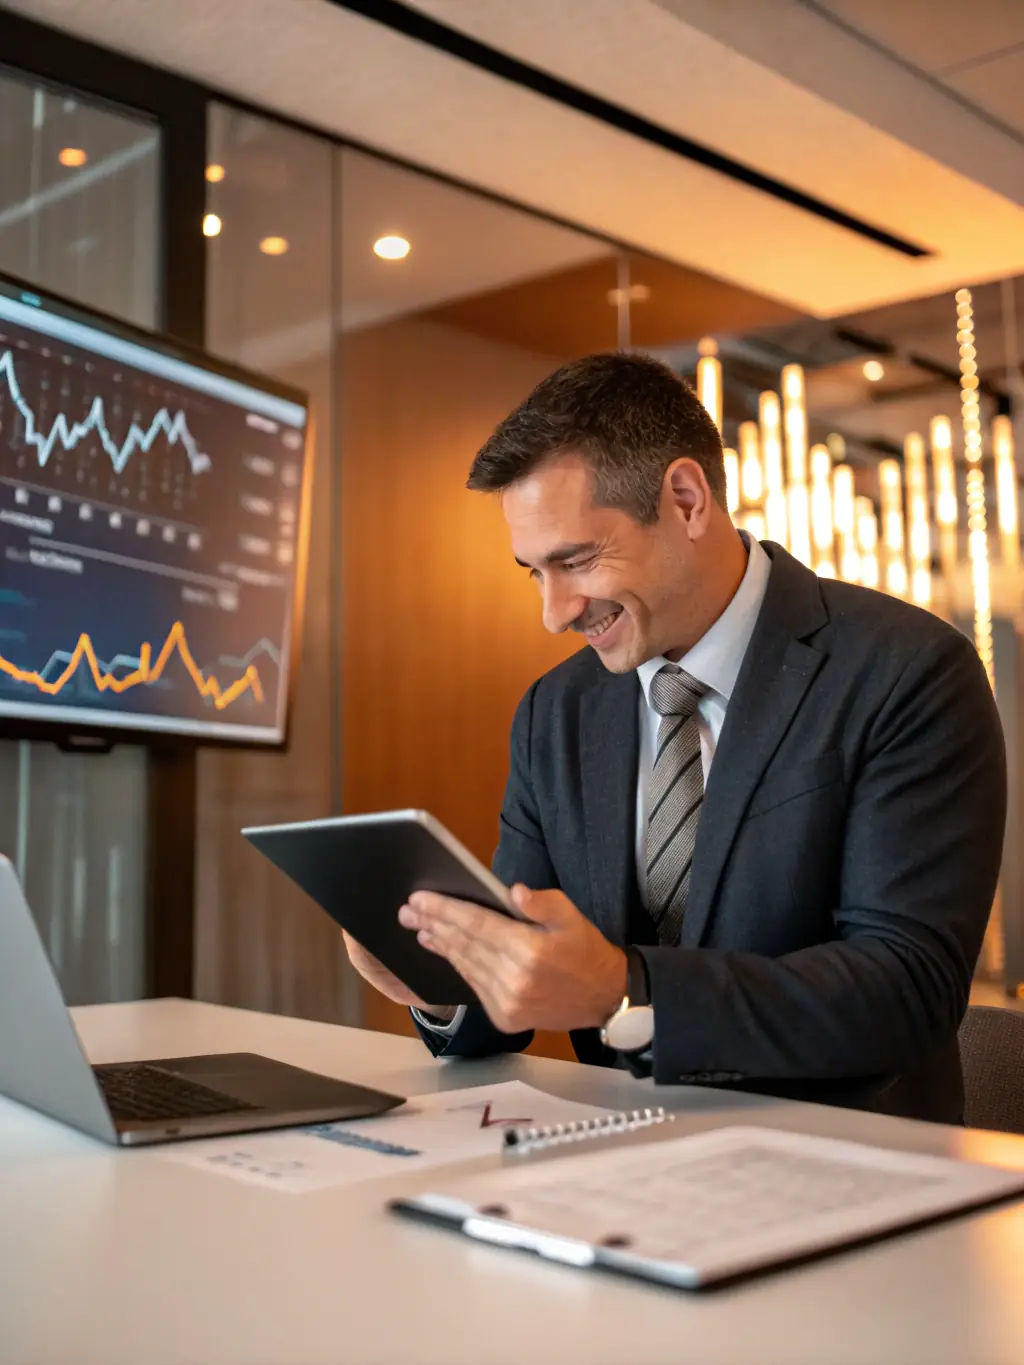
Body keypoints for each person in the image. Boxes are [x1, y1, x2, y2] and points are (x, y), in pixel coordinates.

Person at [344, 352, 1006, 1123]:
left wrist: (628, 989)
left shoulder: (908, 671)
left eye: (576, 560)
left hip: (853, 1172)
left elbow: (907, 988)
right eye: (533, 571)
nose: (554, 613)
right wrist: (447, 981)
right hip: (618, 1169)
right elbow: (527, 983)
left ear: (687, 499)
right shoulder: (554, 712)